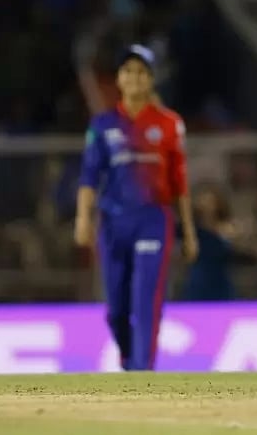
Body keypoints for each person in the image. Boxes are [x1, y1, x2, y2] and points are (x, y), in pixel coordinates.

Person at [75, 44, 199, 371]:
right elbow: (89, 175)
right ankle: (130, 360)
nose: (134, 78)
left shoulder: (169, 124)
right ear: (118, 79)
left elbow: (179, 184)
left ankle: (143, 372)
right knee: (116, 309)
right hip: (114, 221)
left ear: (151, 80)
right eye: (128, 71)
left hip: (153, 219)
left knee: (146, 300)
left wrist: (189, 232)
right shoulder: (103, 125)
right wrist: (82, 219)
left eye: (141, 72)